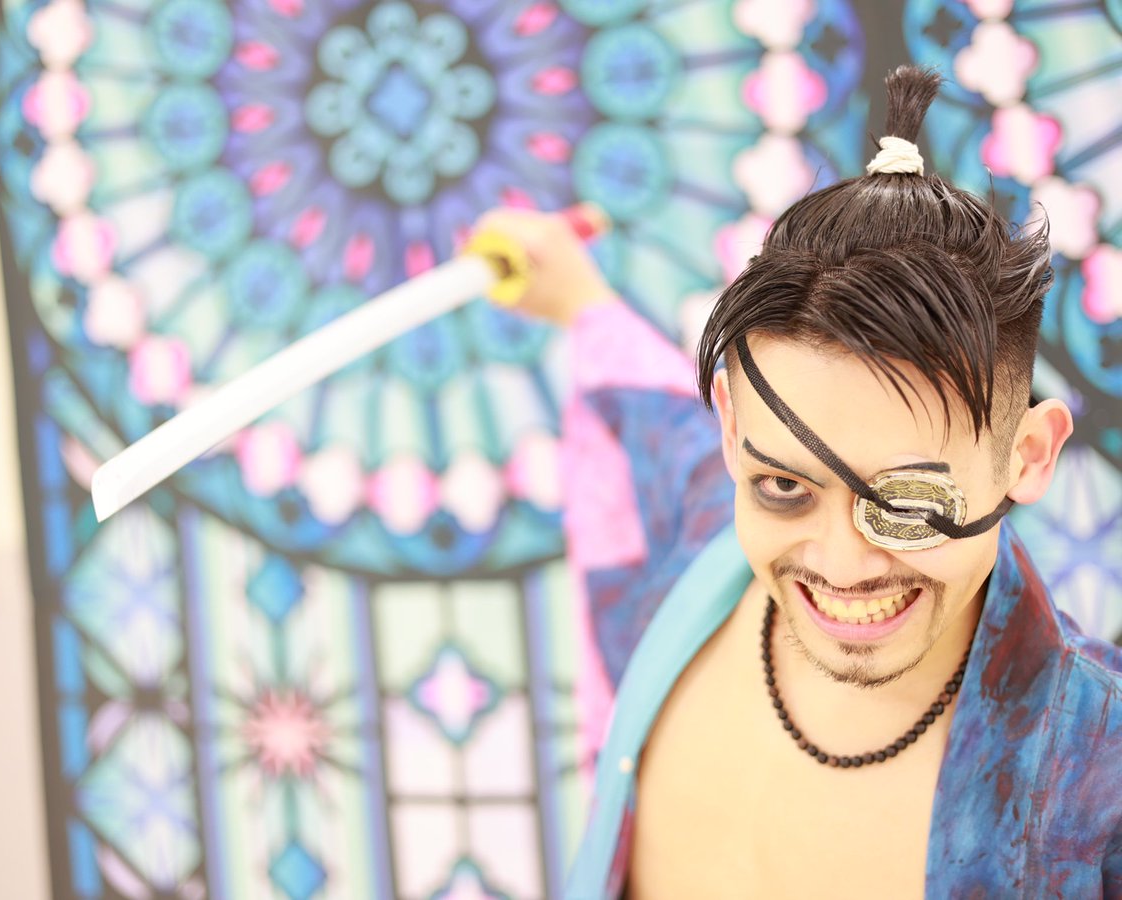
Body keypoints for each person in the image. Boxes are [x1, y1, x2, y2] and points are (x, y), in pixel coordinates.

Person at [474, 66, 1122, 898]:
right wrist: (572, 293)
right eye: (786, 488)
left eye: (904, 501)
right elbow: (647, 420)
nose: (842, 565)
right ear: (732, 431)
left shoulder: (1096, 781)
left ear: (1027, 456)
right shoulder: (694, 548)